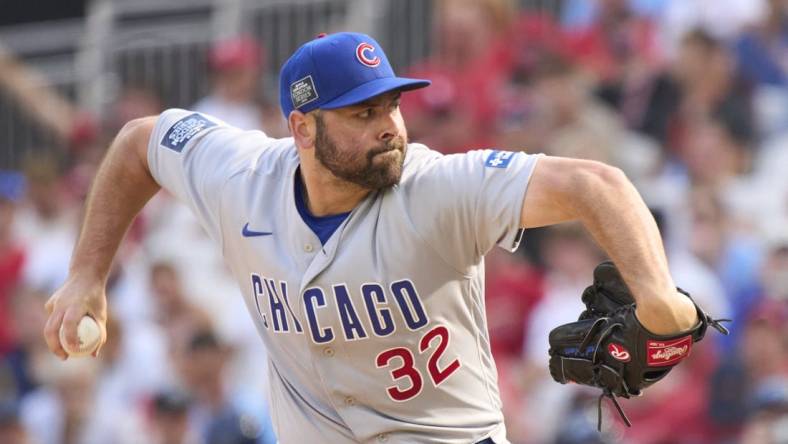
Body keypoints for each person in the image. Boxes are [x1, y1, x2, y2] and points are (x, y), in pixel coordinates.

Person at [43, 32, 699, 444]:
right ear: (302, 130)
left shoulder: (438, 188)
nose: (389, 126)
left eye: (392, 105)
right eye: (364, 113)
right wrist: (86, 274)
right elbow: (139, 143)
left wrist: (659, 299)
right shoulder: (239, 176)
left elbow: (595, 182)